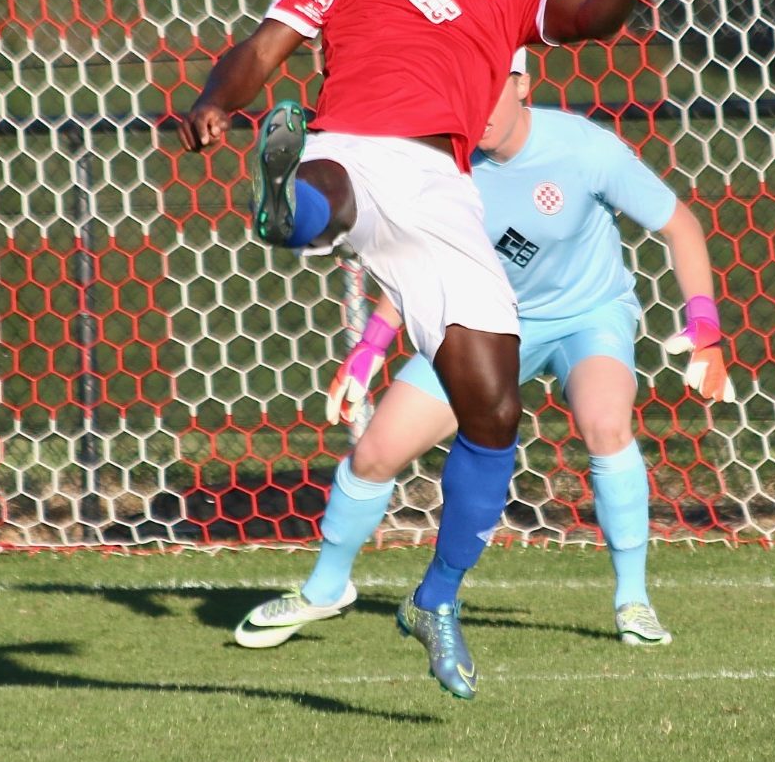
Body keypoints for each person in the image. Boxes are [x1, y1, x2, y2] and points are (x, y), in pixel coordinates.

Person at [178, 0, 706, 697]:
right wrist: (214, 99)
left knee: (493, 413)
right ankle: (288, 205)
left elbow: (587, 17)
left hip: (444, 189)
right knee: (332, 187)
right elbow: (266, 46)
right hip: (351, 146)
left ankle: (436, 598)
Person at [231, 67, 733, 697]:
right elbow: (421, 265)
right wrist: (368, 350)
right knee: (377, 449)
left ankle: (633, 601)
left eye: (493, 81)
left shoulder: (584, 148)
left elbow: (681, 226)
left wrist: (706, 329)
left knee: (607, 423)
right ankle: (325, 588)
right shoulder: (443, 166)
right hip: (484, 320)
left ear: (522, 85)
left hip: (588, 318)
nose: (477, 102)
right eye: (465, 87)